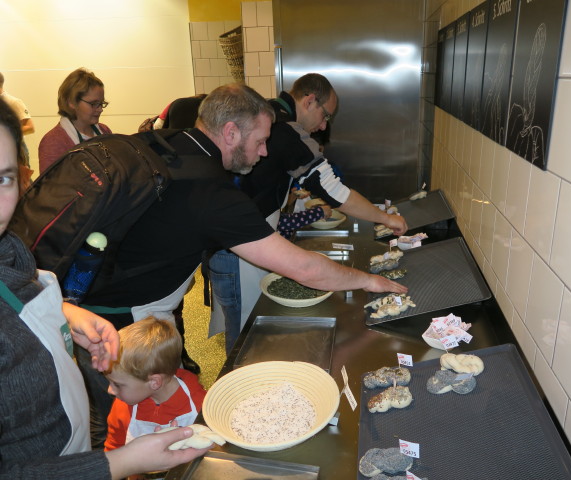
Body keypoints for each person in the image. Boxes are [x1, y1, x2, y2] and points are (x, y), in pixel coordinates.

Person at [49, 83, 406, 449]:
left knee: (101, 413)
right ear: (231, 131)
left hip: (82, 300)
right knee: (123, 427)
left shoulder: (169, 142)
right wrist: (368, 281)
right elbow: (305, 269)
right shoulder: (210, 192)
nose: (265, 152)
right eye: (261, 141)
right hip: (122, 324)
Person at [0, 97, 210, 480]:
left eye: (3, 178)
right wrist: (119, 463)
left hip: (75, 456)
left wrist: (61, 312)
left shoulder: (10, 255)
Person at [209, 73, 409, 352]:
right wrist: (387, 219)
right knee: (246, 336)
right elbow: (335, 192)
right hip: (239, 248)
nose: (323, 125)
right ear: (310, 100)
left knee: (249, 329)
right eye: (325, 115)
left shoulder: (270, 114)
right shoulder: (286, 130)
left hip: (239, 241)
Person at [104, 317, 206, 452]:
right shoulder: (121, 408)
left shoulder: (200, 403)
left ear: (154, 382)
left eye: (118, 385)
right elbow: (114, 449)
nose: (110, 390)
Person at [38, 67, 112, 172]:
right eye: (93, 104)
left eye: (101, 103)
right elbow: (50, 187)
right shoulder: (53, 142)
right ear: (71, 102)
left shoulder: (105, 131)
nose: (100, 109)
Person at [0, 71, 35, 190]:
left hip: (17, 149)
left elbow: (30, 127)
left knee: (22, 181)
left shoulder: (13, 102)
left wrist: (7, 132)